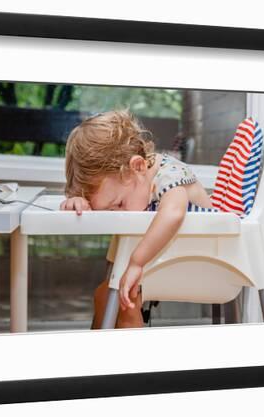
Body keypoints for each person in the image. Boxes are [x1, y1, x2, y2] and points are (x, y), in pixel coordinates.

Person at [60, 108, 214, 329]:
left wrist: (136, 262)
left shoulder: (169, 175)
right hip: (166, 259)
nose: (117, 213)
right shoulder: (134, 180)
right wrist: (81, 202)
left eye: (119, 204)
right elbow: (109, 198)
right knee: (103, 295)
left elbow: (174, 213)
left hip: (203, 261)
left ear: (138, 166)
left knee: (126, 301)